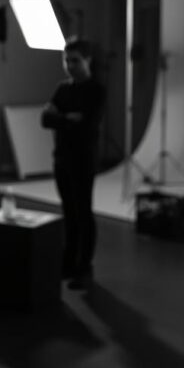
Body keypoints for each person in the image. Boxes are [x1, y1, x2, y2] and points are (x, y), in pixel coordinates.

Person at [41, 39, 106, 289]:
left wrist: (61, 118)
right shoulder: (62, 89)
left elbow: (88, 124)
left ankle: (84, 267)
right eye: (66, 60)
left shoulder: (96, 90)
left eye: (75, 60)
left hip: (83, 159)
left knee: (83, 212)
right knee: (68, 211)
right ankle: (68, 263)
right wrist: (69, 119)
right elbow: (45, 120)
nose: (69, 65)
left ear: (88, 60)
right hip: (62, 158)